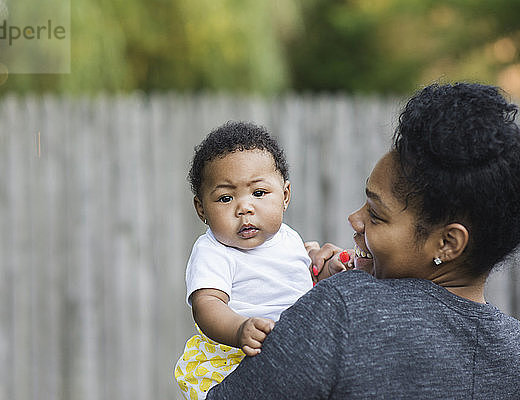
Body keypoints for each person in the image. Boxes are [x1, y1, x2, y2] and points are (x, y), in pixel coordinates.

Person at [207, 83, 520, 399]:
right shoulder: (513, 351)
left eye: (376, 214)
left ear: (448, 243)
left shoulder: (344, 308)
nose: (354, 219)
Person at [174, 121, 314, 399]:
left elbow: (296, 275)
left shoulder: (289, 238)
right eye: (226, 198)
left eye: (259, 193)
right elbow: (207, 305)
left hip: (294, 350)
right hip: (235, 354)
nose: (244, 208)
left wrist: (319, 265)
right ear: (201, 208)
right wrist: (239, 329)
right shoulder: (213, 250)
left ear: (285, 196)